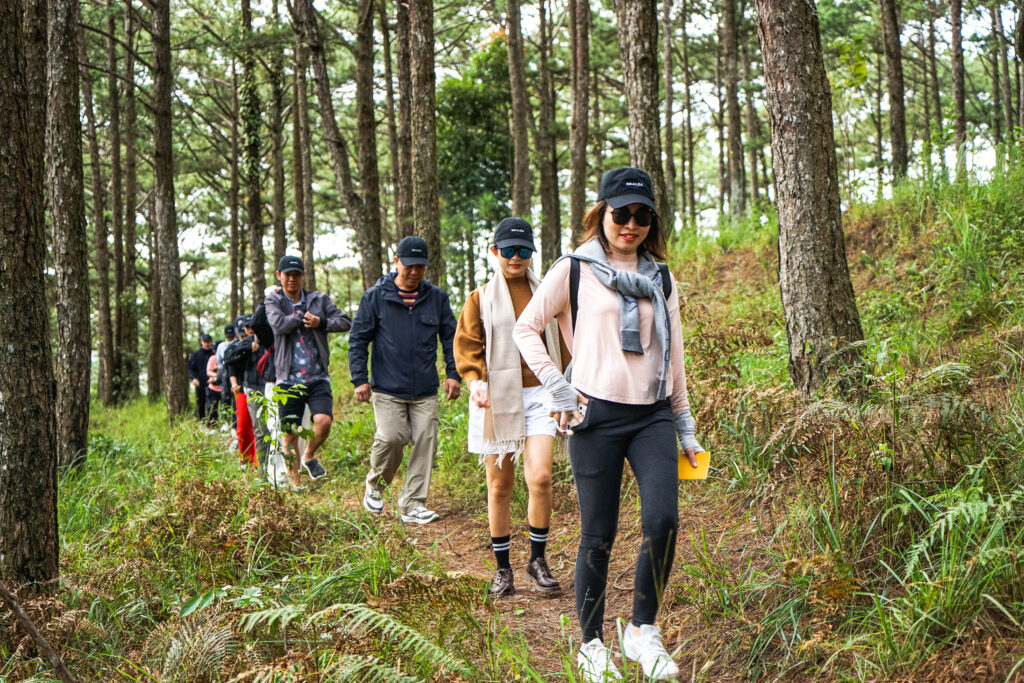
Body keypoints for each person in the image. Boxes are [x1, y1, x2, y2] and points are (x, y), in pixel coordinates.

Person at [513, 168, 702, 682]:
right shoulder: (573, 270)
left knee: (662, 521)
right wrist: (554, 382)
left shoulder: (661, 278)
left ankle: (643, 632)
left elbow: (674, 357)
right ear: (602, 213)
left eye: (643, 216)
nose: (632, 224)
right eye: (623, 213)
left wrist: (684, 424)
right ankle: (592, 644)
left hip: (653, 417)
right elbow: (526, 327)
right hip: (594, 416)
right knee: (598, 534)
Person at [454, 218, 570, 599]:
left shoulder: (547, 292)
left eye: (524, 251)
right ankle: (503, 570)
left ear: (532, 254)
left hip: (542, 396)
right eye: (509, 250)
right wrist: (475, 381)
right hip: (498, 396)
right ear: (495, 252)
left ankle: (537, 560)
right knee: (499, 485)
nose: (516, 257)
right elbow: (468, 345)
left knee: (540, 478)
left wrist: (571, 381)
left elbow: (566, 339)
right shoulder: (480, 298)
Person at [349, 235, 461, 525]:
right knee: (391, 436)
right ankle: (375, 486)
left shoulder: (437, 298)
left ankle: (412, 505)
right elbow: (358, 339)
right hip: (387, 386)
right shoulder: (375, 297)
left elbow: (450, 338)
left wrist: (453, 374)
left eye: (420, 267)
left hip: (425, 388)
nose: (413, 272)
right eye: (408, 265)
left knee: (426, 442)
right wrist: (360, 379)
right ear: (396, 261)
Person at [265, 255, 352, 482]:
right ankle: (295, 482)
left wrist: (320, 322)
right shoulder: (274, 301)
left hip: (317, 377)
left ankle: (309, 455)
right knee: (290, 435)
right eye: (287, 275)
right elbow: (278, 325)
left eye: (296, 274)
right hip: (287, 380)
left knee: (323, 422)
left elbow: (344, 321)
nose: (292, 279)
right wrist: (299, 316)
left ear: (303, 276)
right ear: (279, 276)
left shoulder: (318, 299)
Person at [187, 334, 216, 422]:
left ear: (211, 342)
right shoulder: (196, 354)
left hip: (213, 383)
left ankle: (212, 424)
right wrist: (193, 379)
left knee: (212, 405)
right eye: (204, 342)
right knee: (201, 404)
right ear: (201, 342)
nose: (206, 344)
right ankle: (202, 422)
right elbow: (190, 369)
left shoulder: (214, 354)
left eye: (208, 342)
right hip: (200, 383)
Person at [216, 325, 237, 422]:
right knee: (225, 398)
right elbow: (218, 362)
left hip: (236, 374)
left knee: (235, 400)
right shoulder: (221, 346)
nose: (230, 339)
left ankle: (234, 422)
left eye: (231, 337)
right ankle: (225, 421)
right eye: (228, 337)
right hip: (225, 375)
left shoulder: (238, 344)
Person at [205, 352, 221, 427]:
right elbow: (208, 372)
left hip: (224, 389)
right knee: (212, 409)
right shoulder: (212, 358)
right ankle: (212, 426)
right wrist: (218, 376)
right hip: (213, 388)